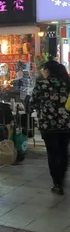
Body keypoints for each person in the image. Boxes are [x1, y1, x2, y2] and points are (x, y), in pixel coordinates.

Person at [31, 60, 70, 195]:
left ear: (48, 70)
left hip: (48, 125)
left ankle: (56, 182)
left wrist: (42, 109)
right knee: (63, 151)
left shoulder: (41, 84)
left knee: (52, 153)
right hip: (66, 124)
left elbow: (32, 102)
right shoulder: (67, 83)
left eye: (43, 69)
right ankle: (61, 179)